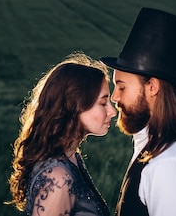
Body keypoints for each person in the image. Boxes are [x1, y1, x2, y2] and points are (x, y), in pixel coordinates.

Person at [100, 7, 176, 216]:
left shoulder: (172, 164)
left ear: (152, 87)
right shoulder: (155, 147)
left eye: (122, 86)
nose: (115, 97)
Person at [8, 52, 118, 216]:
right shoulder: (58, 178)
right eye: (103, 102)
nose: (112, 111)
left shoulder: (72, 158)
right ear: (75, 105)